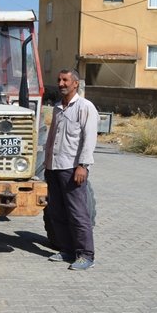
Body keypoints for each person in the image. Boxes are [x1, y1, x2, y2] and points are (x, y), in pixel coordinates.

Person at [45, 69, 99, 270]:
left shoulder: (85, 107)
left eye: (65, 80)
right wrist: (46, 166)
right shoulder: (58, 107)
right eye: (59, 80)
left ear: (75, 83)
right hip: (54, 167)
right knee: (57, 212)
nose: (60, 83)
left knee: (78, 213)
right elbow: (52, 138)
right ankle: (66, 250)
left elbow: (89, 139)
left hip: (72, 168)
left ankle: (86, 255)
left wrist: (83, 166)